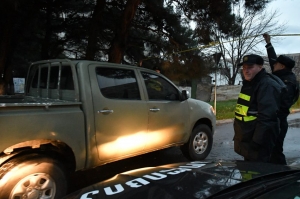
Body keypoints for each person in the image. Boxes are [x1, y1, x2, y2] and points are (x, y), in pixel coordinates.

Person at [233, 54, 286, 163]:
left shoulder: (267, 85)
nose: (246, 71)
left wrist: (256, 142)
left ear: (260, 67)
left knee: (258, 174)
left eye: (250, 67)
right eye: (244, 68)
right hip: (247, 138)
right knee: (249, 173)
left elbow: (267, 118)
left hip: (258, 143)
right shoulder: (250, 83)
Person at [263, 33, 299, 165]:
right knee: (268, 151)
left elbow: (282, 105)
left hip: (278, 123)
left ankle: (282, 176)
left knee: (276, 152)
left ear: (282, 66)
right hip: (272, 121)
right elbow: (272, 58)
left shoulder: (288, 82)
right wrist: (268, 43)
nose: (273, 65)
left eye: (277, 64)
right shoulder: (280, 73)